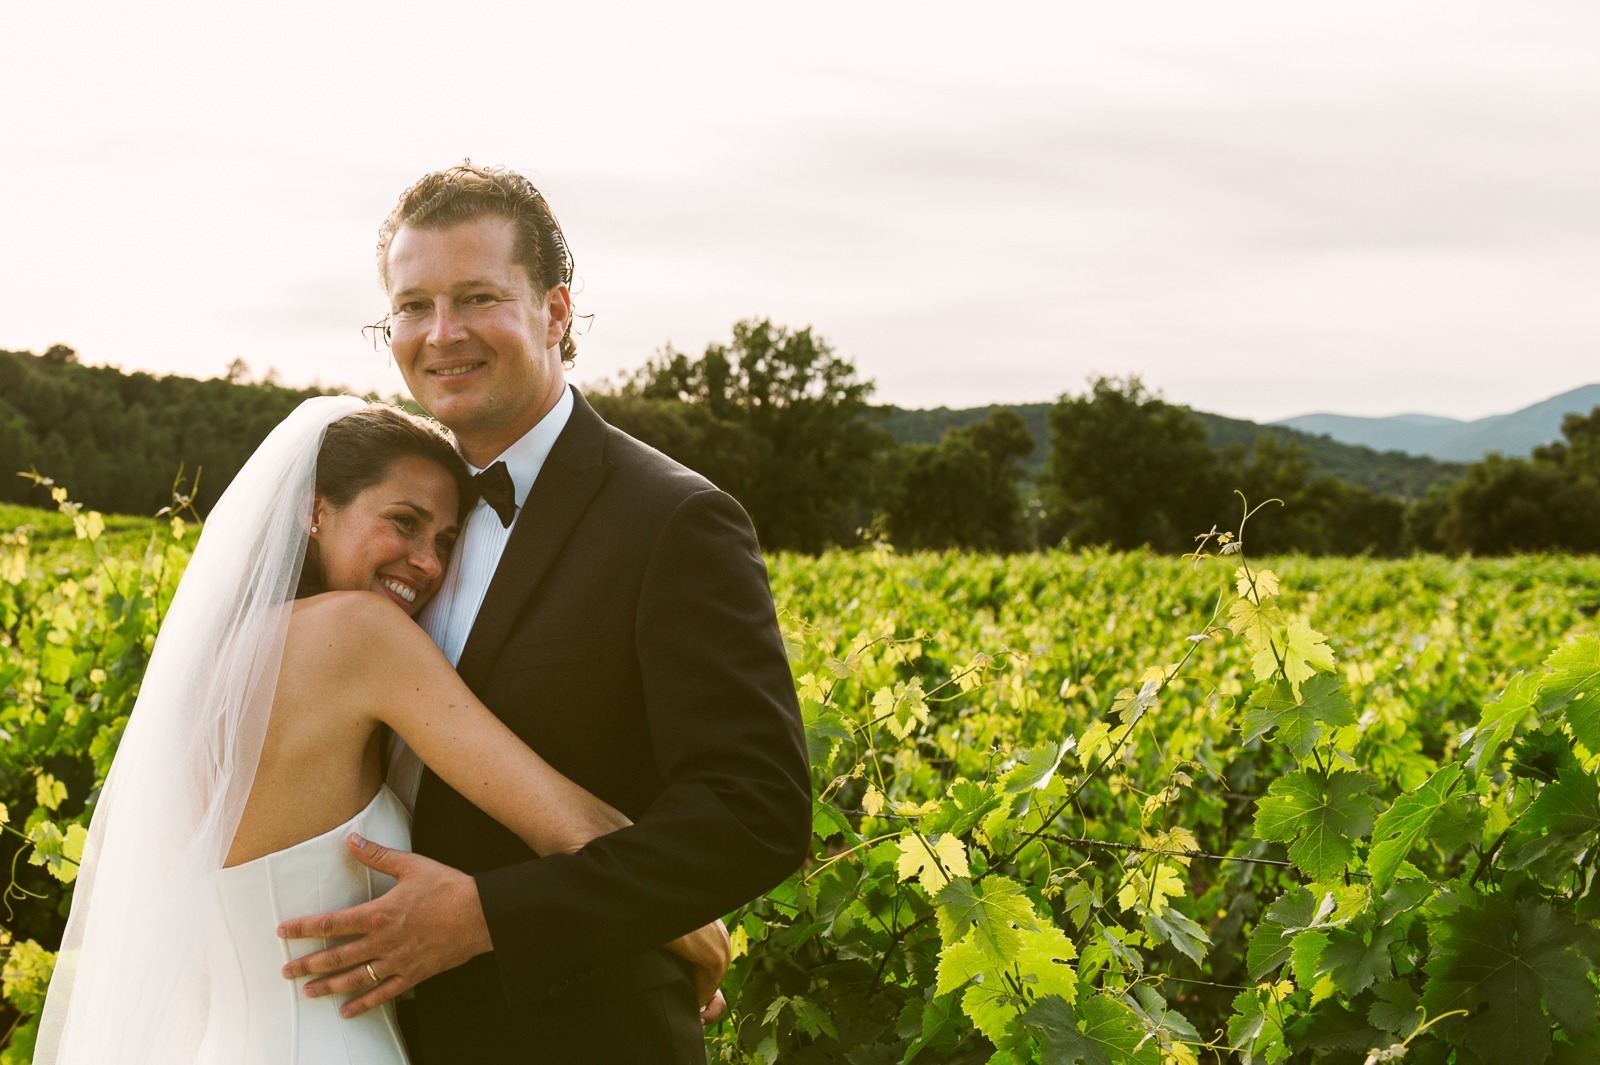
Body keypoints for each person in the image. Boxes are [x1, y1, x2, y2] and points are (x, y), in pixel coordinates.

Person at [275, 163, 813, 1062]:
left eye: (476, 297)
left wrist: (490, 916)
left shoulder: (673, 520)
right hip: (368, 1030)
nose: (440, 335)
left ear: (557, 313)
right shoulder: (387, 527)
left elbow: (752, 812)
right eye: (412, 307)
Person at [33, 400, 730, 1064]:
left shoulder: (219, 663)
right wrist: (698, 936)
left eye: (446, 539)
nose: (428, 560)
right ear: (316, 512)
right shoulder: (358, 633)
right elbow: (560, 819)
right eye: (403, 521)